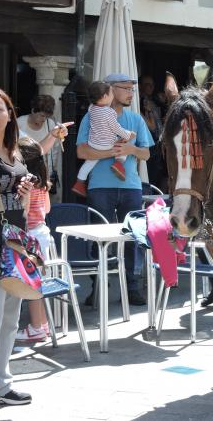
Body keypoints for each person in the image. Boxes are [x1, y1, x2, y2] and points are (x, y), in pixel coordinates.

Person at [76, 73, 154, 306]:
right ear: (110, 90)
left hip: (131, 187)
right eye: (126, 88)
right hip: (100, 187)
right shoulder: (91, 116)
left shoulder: (136, 119)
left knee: (133, 236)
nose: (131, 93)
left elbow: (146, 154)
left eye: (132, 89)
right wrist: (113, 152)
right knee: (99, 238)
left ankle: (132, 287)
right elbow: (81, 152)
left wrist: (130, 150)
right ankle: (98, 287)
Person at [0, 88, 35, 416]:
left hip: (13, 249)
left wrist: (24, 193)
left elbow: (19, 205)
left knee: (9, 323)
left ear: (9, 113)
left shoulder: (15, 152)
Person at [15, 137, 52, 343]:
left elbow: (24, 212)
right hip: (42, 233)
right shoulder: (43, 184)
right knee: (37, 283)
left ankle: (37, 328)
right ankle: (42, 324)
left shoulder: (25, 185)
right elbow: (47, 209)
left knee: (31, 285)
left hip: (30, 237)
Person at [71, 82, 135, 197]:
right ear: (105, 96)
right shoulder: (109, 112)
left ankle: (79, 183)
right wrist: (128, 135)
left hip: (93, 143)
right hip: (107, 144)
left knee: (88, 164)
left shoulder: (91, 109)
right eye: (111, 94)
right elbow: (116, 128)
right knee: (122, 144)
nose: (113, 96)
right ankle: (119, 164)